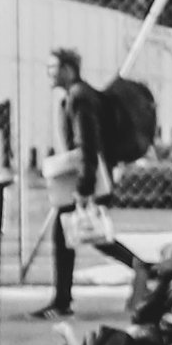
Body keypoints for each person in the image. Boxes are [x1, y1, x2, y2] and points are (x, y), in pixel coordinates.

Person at [38, 46, 112, 319]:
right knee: (90, 236)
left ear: (68, 70)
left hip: (84, 181)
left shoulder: (79, 97)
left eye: (53, 68)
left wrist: (84, 187)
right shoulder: (76, 95)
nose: (49, 73)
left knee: (74, 236)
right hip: (84, 178)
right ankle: (61, 300)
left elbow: (87, 144)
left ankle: (61, 301)